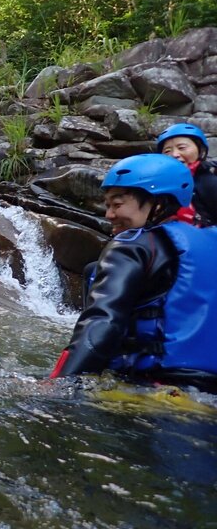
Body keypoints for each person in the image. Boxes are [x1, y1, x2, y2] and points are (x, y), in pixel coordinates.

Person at [50, 153, 217, 392]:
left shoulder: (134, 244)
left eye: (117, 204)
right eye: (107, 205)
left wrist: (59, 386)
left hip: (153, 391)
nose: (109, 215)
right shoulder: (209, 242)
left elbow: (103, 322)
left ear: (157, 203)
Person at [156, 123, 217, 227]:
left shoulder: (210, 183)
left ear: (200, 151)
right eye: (167, 151)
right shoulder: (159, 186)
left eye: (182, 147)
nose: (174, 154)